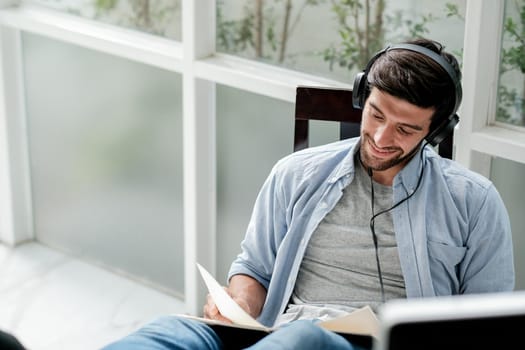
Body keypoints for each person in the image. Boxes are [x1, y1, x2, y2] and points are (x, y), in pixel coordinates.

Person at [102, 38, 515, 350]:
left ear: (436, 131)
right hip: (276, 334)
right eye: (375, 114)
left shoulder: (474, 202)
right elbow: (256, 267)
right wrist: (240, 305)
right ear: (362, 97)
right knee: (168, 332)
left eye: (405, 130)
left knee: (303, 338)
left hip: (359, 343)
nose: (380, 137)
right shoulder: (296, 174)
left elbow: (486, 322)